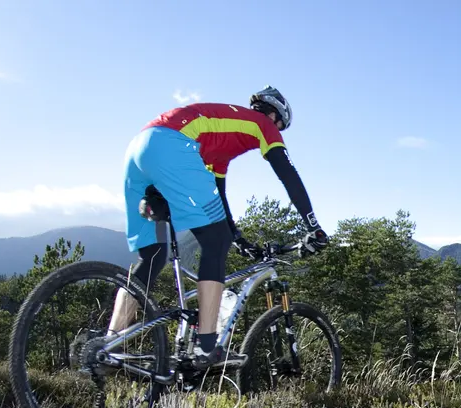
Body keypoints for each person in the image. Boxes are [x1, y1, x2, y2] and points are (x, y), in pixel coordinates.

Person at [108, 85, 328, 368]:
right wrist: (313, 224)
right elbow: (287, 173)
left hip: (139, 147)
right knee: (215, 242)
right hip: (173, 145)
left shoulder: (220, 145)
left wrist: (236, 237)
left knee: (152, 257)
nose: (276, 133)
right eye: (280, 128)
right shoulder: (261, 123)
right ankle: (206, 344)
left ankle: (109, 343)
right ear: (273, 115)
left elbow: (219, 197)